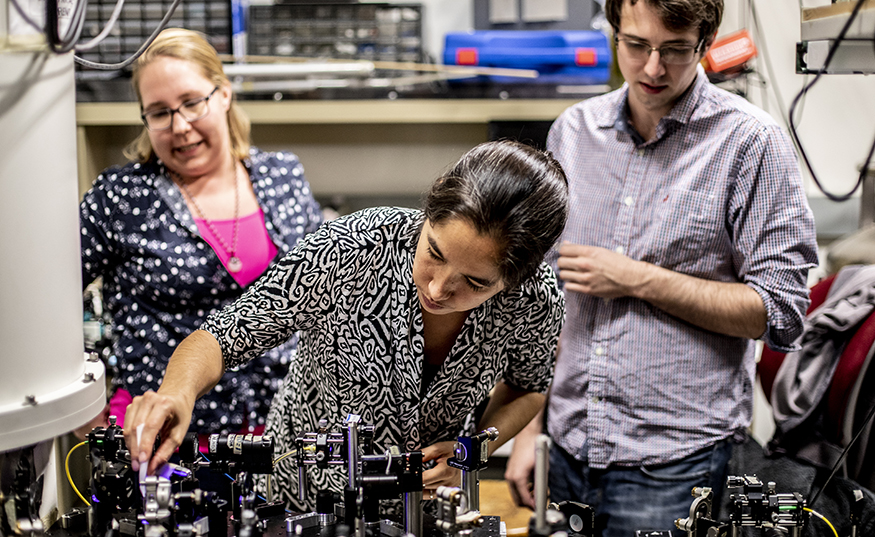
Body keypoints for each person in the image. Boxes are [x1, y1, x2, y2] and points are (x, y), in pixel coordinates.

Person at [505, 1, 819, 535]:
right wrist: (531, 432)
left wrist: (635, 278)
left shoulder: (750, 143)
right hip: (568, 447)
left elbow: (779, 312)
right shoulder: (573, 133)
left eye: (675, 50)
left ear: (706, 40)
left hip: (676, 462)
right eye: (636, 46)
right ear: (613, 33)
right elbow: (548, 308)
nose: (653, 69)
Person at [122, 139, 570, 512]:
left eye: (474, 282)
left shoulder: (535, 299)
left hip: (426, 506)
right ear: (432, 204)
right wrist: (177, 393)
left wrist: (473, 450)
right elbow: (221, 337)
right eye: (433, 251)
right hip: (298, 500)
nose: (437, 288)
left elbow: (528, 387)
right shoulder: (350, 249)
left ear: (519, 276)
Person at [79, 28, 323, 438]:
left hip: (284, 431)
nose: (180, 126)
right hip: (169, 433)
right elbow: (46, 304)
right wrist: (80, 398)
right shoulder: (121, 197)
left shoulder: (282, 175)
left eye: (192, 102)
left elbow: (324, 288)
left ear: (223, 94)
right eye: (159, 112)